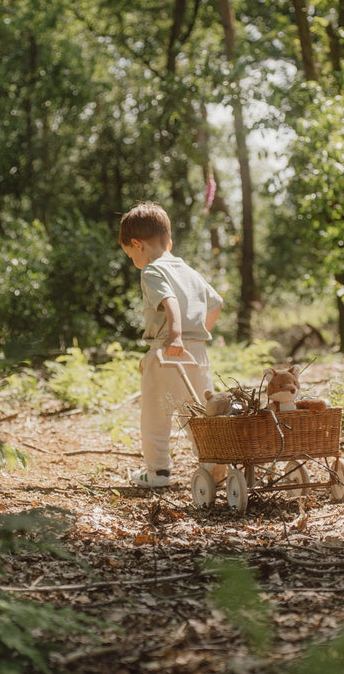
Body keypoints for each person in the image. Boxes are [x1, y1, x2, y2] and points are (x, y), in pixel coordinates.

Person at [119, 202, 223, 488]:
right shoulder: (189, 271)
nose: (133, 261)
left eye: (130, 255)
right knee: (199, 413)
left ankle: (158, 473)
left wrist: (176, 335)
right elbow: (216, 303)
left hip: (167, 350)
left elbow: (169, 302)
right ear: (169, 240)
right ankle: (213, 462)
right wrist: (196, 334)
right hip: (197, 352)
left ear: (137, 245)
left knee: (155, 415)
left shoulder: (152, 271)